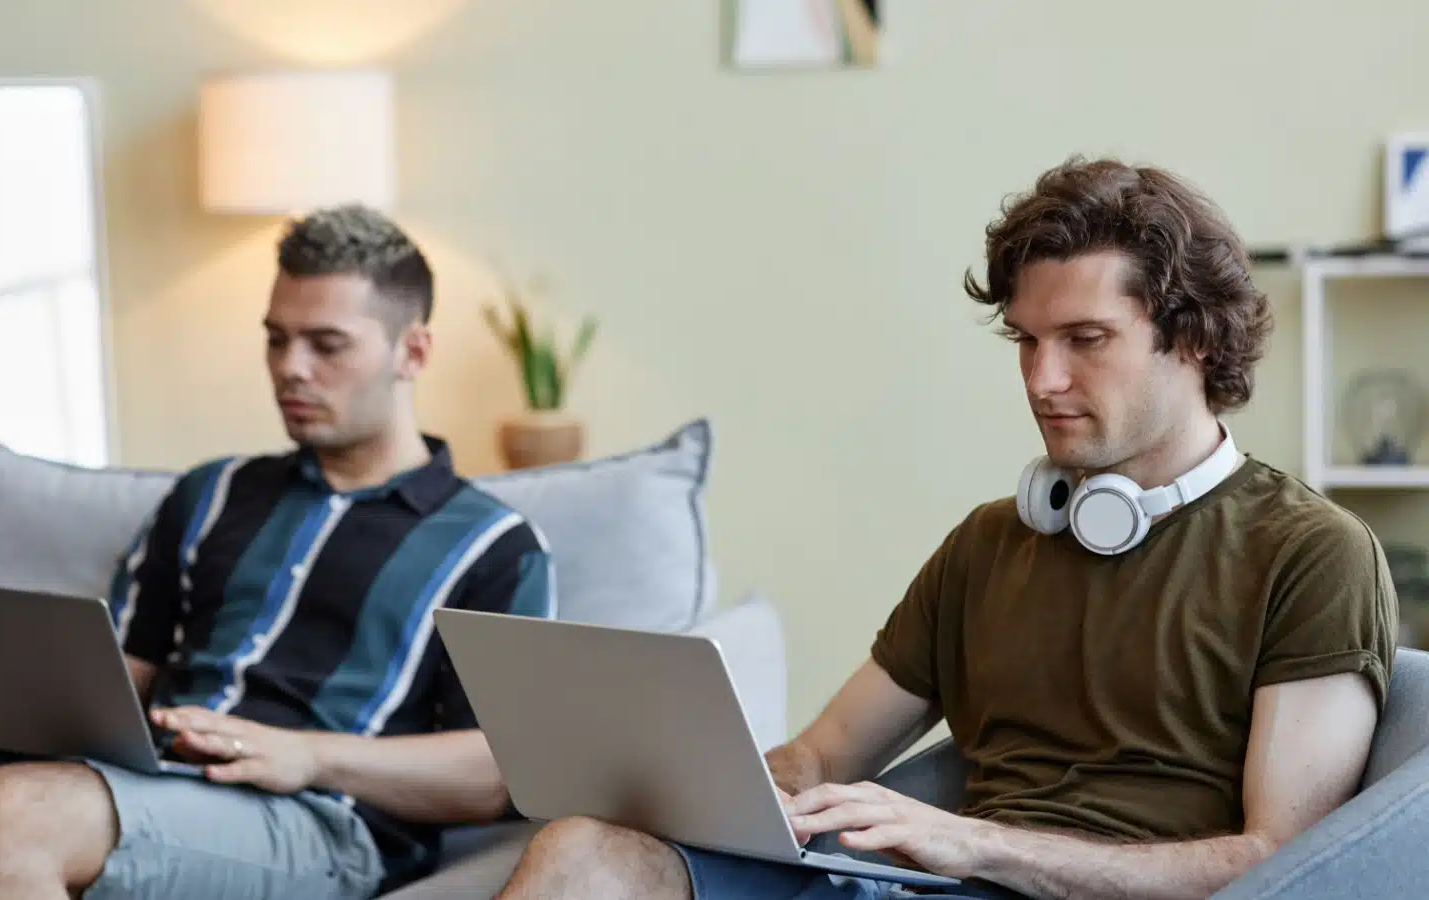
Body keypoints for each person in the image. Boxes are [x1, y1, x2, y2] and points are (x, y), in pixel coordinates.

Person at [492, 157, 1398, 900]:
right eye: (1026, 341)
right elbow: (819, 756)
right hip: (915, 885)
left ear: (1193, 340)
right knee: (581, 853)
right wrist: (687, 787)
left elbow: (1282, 864)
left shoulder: (1309, 552)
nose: (1042, 379)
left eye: (1084, 340)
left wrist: (976, 845)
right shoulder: (989, 544)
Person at [0, 205, 556, 900]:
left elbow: (497, 771)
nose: (291, 368)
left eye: (326, 345)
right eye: (276, 339)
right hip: (149, 779)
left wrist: (308, 753)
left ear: (412, 351)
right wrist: (4, 694)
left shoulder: (492, 545)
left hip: (318, 819)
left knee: (12, 813)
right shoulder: (213, 493)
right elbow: (128, 674)